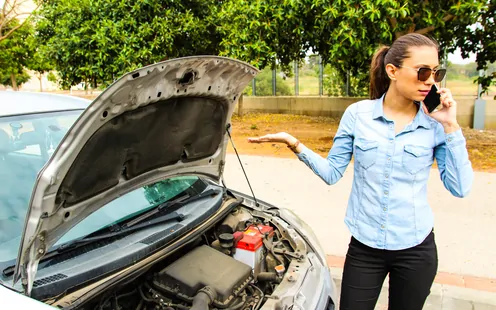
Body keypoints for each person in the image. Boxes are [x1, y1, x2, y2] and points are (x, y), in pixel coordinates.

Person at [247, 33, 474, 310]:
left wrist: (451, 126)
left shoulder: (435, 124)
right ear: (392, 71)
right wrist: (293, 143)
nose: (430, 81)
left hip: (416, 249)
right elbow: (332, 173)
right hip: (366, 248)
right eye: (422, 71)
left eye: (436, 73)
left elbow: (460, 188)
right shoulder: (358, 115)